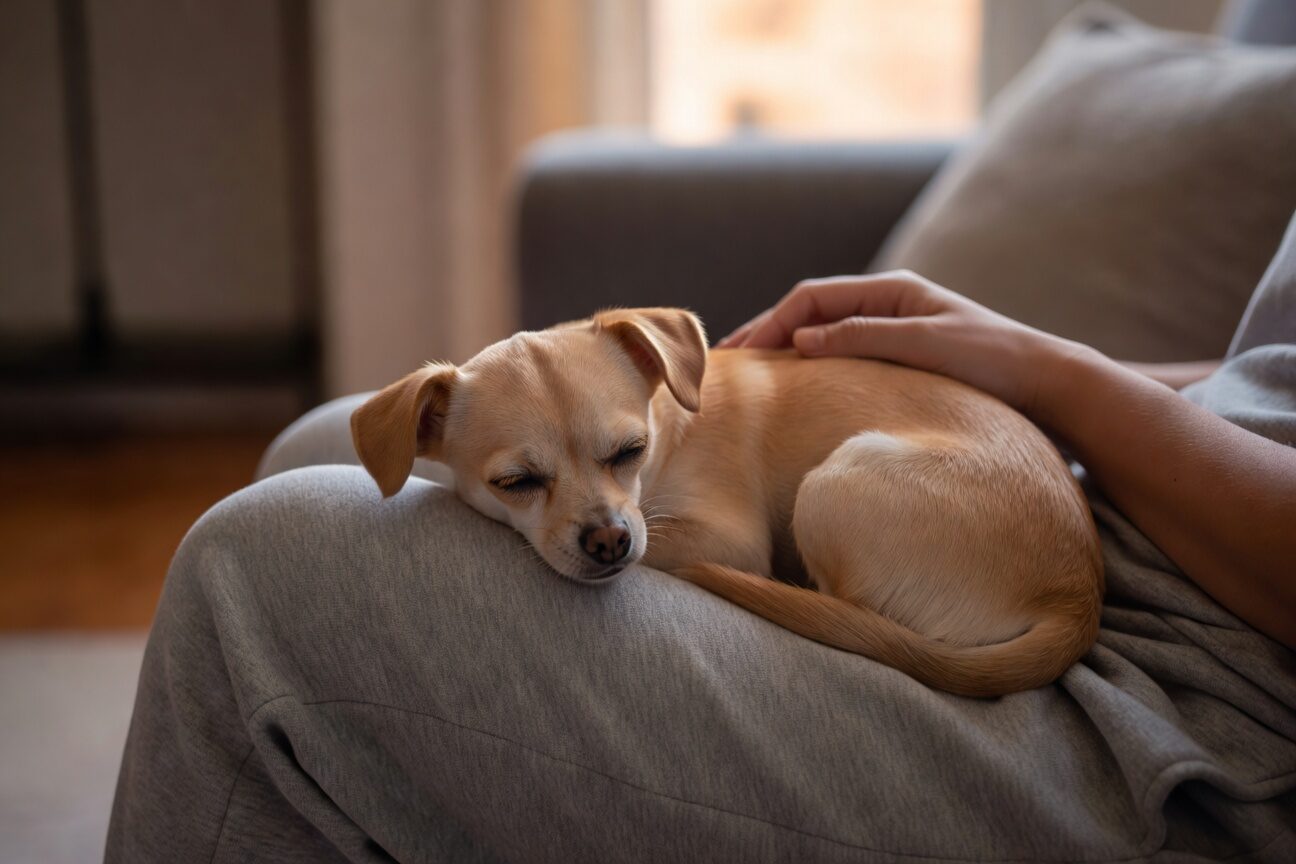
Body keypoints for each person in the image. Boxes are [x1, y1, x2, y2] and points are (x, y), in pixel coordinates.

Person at [107, 215, 1296, 863]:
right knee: (312, 451)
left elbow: (714, 538)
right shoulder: (564, 419)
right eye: (524, 481)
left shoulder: (701, 419)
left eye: (627, 457)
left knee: (251, 566)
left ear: (667, 372)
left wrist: (1054, 372)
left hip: (1170, 680)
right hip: (1079, 522)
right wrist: (1015, 357)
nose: (604, 521)